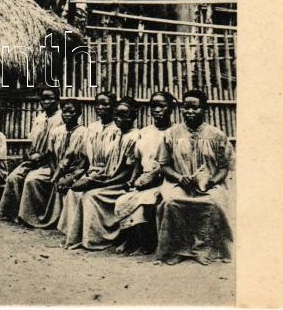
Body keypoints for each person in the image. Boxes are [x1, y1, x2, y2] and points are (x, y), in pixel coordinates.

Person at [155, 89, 234, 265]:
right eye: (186, 107)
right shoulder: (172, 133)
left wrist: (211, 181)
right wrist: (179, 177)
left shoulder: (217, 135)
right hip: (178, 183)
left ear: (205, 109)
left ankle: (204, 248)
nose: (189, 112)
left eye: (195, 108)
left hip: (209, 184)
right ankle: (177, 249)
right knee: (170, 202)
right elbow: (164, 164)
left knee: (214, 202)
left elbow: (223, 167)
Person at [60, 94, 138, 250]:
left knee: (90, 195)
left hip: (118, 182)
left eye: (106, 104)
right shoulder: (114, 133)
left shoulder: (132, 136)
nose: (101, 108)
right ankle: (75, 236)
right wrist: (81, 175)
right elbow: (92, 159)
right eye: (118, 115)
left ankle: (94, 239)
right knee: (73, 193)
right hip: (104, 176)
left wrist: (101, 182)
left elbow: (126, 170)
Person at [114, 91, 175, 255]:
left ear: (171, 108)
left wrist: (154, 176)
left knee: (147, 200)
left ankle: (148, 244)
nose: (156, 110)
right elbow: (138, 162)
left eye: (161, 106)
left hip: (166, 180)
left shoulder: (175, 133)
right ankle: (132, 239)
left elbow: (175, 164)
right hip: (144, 179)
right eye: (153, 106)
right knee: (124, 199)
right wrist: (133, 181)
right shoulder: (145, 132)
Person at [0, 87, 64, 222]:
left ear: (57, 100)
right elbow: (34, 141)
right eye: (43, 99)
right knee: (13, 177)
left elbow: (59, 147)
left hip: (51, 162)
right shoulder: (40, 117)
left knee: (30, 180)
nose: (45, 102)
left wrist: (42, 156)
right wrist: (30, 154)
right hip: (35, 159)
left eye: (50, 99)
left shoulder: (62, 118)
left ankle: (29, 216)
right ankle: (11, 212)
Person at [20, 98, 89, 228]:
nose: (67, 115)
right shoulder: (57, 131)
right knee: (32, 180)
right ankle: (31, 217)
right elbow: (50, 155)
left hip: (75, 171)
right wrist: (54, 171)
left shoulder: (84, 133)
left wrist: (71, 175)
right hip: (55, 168)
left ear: (79, 114)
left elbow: (85, 160)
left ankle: (58, 222)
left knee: (64, 185)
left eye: (71, 112)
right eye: (65, 112)